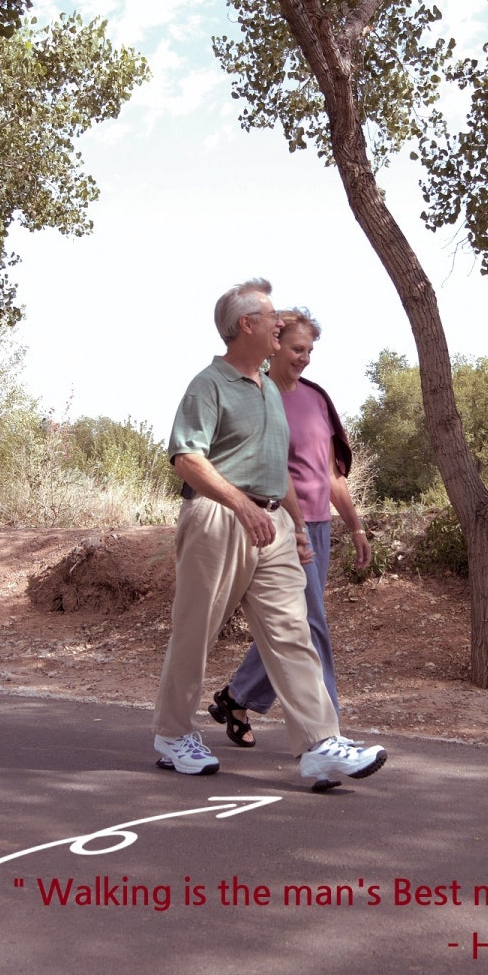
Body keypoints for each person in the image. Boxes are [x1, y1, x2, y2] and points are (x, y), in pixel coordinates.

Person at [152, 278, 387, 788]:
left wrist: (298, 528)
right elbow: (186, 458)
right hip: (219, 517)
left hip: (275, 524)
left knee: (292, 633)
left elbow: (276, 469)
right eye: (272, 316)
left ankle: (320, 744)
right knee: (196, 632)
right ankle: (173, 735)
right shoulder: (208, 385)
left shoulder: (271, 391)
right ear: (246, 326)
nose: (280, 322)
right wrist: (237, 502)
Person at [208, 309, 371, 747]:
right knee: (312, 626)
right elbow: (266, 469)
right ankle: (327, 736)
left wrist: (355, 526)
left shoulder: (317, 398)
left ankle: (237, 696)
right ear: (275, 345)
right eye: (298, 349)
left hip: (319, 526)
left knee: (292, 623)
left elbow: (331, 475)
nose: (305, 358)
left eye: (310, 351)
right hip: (280, 525)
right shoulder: (258, 397)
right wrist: (292, 524)